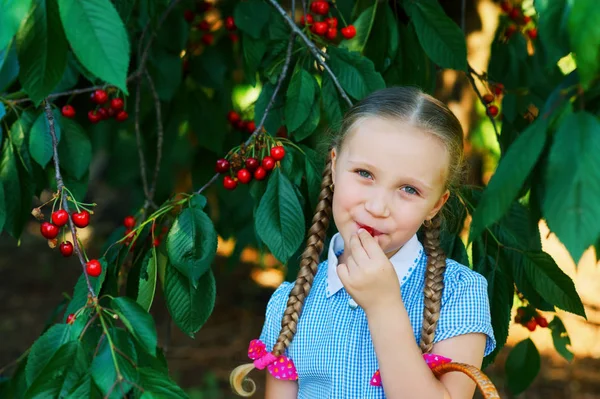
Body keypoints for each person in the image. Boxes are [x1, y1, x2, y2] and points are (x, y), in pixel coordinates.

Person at [230, 86, 496, 399]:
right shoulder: (291, 305)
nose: (378, 207)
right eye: (364, 173)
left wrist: (384, 305)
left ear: (436, 205)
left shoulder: (459, 293)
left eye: (409, 189)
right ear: (333, 166)